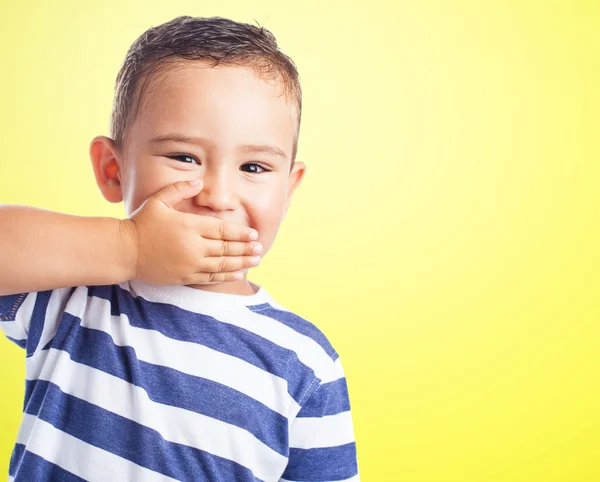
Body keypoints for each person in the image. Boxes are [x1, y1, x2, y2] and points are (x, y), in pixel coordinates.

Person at [0, 15, 359, 482]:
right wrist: (130, 248)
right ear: (113, 169)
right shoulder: (74, 295)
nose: (217, 195)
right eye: (183, 158)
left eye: (253, 167)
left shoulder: (305, 361)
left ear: (288, 191)